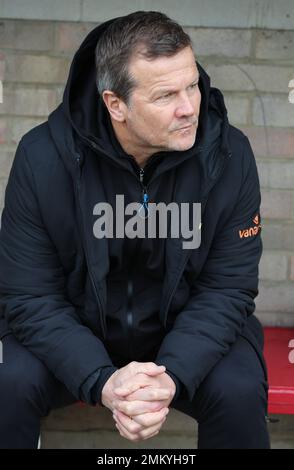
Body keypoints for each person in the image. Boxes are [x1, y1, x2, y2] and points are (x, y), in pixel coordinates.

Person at [0, 11, 270, 449]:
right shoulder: (42, 157)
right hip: (76, 331)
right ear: (115, 104)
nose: (189, 107)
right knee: (6, 379)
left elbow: (228, 289)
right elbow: (29, 297)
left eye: (191, 85)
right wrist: (101, 379)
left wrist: (173, 376)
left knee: (238, 389)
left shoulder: (229, 156)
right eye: (165, 95)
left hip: (184, 335)